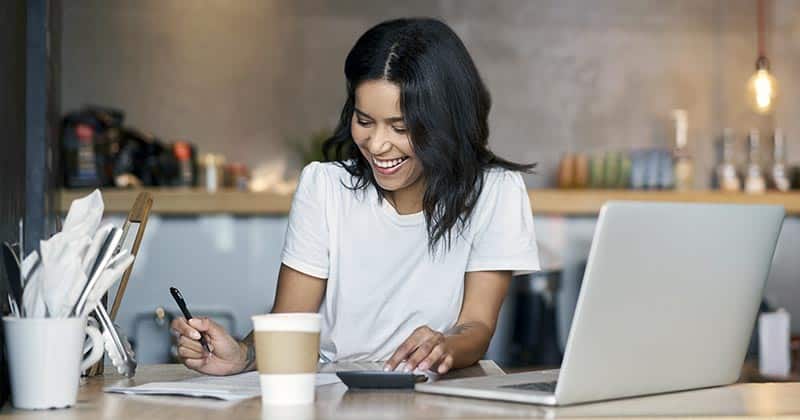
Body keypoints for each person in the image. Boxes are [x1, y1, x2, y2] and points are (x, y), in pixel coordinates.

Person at [171, 17, 540, 376]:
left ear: (445, 122)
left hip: (438, 394)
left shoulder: (494, 192)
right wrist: (242, 355)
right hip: (336, 393)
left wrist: (445, 346)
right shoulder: (325, 187)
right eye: (364, 121)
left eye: (400, 127)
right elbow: (290, 323)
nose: (378, 145)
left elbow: (476, 326)